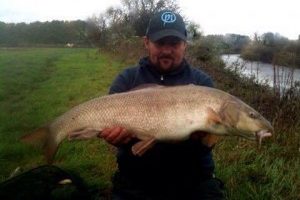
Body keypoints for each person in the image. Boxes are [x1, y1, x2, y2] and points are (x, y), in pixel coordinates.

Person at [98, 10, 224, 200]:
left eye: (174, 43)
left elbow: (207, 146)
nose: (166, 50)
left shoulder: (201, 83)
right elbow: (111, 132)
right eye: (160, 43)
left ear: (185, 45)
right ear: (146, 42)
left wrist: (202, 139)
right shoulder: (127, 79)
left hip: (193, 179)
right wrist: (114, 137)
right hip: (136, 179)